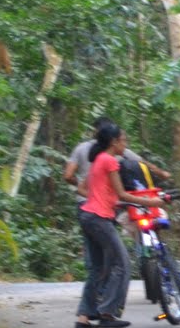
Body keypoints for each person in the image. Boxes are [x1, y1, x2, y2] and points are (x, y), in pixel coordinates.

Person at [62, 117, 171, 317]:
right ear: (114, 141)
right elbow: (122, 194)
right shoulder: (110, 161)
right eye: (124, 140)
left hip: (87, 214)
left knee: (97, 268)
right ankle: (107, 312)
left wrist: (104, 199)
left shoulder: (97, 160)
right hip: (99, 218)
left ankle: (84, 316)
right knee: (122, 265)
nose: (126, 145)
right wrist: (153, 202)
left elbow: (81, 187)